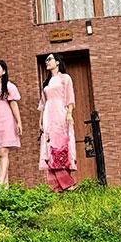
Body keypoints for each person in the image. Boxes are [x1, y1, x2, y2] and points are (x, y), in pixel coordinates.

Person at [38, 53, 78, 192]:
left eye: (49, 59)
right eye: (46, 60)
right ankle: (57, 186)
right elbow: (43, 104)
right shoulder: (47, 82)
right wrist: (40, 121)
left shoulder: (65, 78)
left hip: (61, 114)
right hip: (48, 116)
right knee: (50, 147)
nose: (47, 62)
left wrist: (69, 114)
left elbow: (70, 98)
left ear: (57, 62)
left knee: (61, 146)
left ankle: (67, 183)